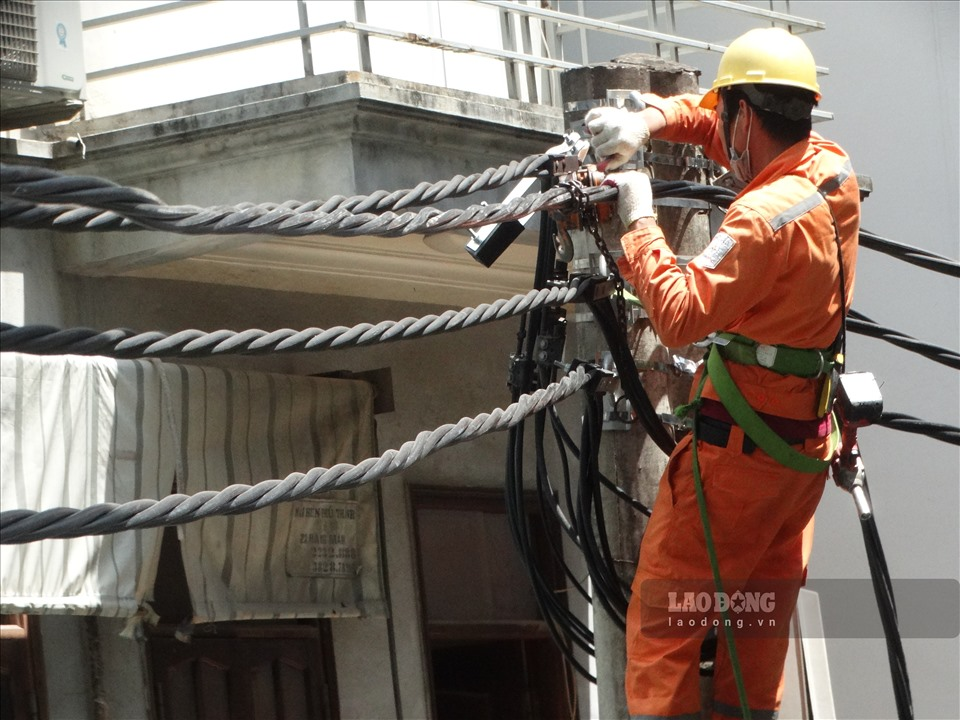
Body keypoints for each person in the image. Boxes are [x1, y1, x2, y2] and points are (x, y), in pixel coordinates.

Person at [585, 27, 861, 720]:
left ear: (747, 115)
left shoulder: (762, 219)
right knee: (756, 625)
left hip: (736, 461)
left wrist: (637, 220)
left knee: (663, 624)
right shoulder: (831, 173)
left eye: (728, 113)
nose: (722, 131)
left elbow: (678, 315)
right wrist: (648, 120)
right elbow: (720, 136)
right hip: (800, 451)